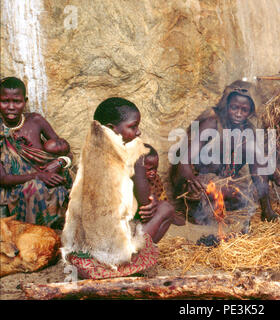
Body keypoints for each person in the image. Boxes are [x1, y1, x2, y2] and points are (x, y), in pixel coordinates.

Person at [62, 97, 180, 279]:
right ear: (112, 128)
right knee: (166, 209)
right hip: (104, 263)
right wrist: (151, 200)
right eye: (133, 127)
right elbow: (144, 203)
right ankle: (130, 265)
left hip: (80, 261)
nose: (138, 132)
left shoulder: (88, 153)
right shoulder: (134, 154)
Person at [170, 80, 280, 226]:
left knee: (243, 186)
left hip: (223, 181)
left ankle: (267, 211)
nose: (238, 114)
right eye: (234, 108)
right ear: (226, 106)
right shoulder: (212, 122)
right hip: (197, 184)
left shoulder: (248, 129)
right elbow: (184, 161)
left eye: (244, 110)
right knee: (228, 194)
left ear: (250, 111)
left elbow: (260, 160)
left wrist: (276, 176)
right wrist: (191, 180)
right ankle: (201, 210)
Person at [0, 77, 72, 229]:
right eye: (5, 101)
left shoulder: (36, 121)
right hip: (17, 187)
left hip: (48, 179)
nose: (11, 107)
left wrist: (59, 162)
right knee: (34, 188)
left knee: (59, 187)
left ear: (24, 101)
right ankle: (34, 237)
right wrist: (38, 176)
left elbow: (66, 150)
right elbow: (4, 179)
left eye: (17, 101)